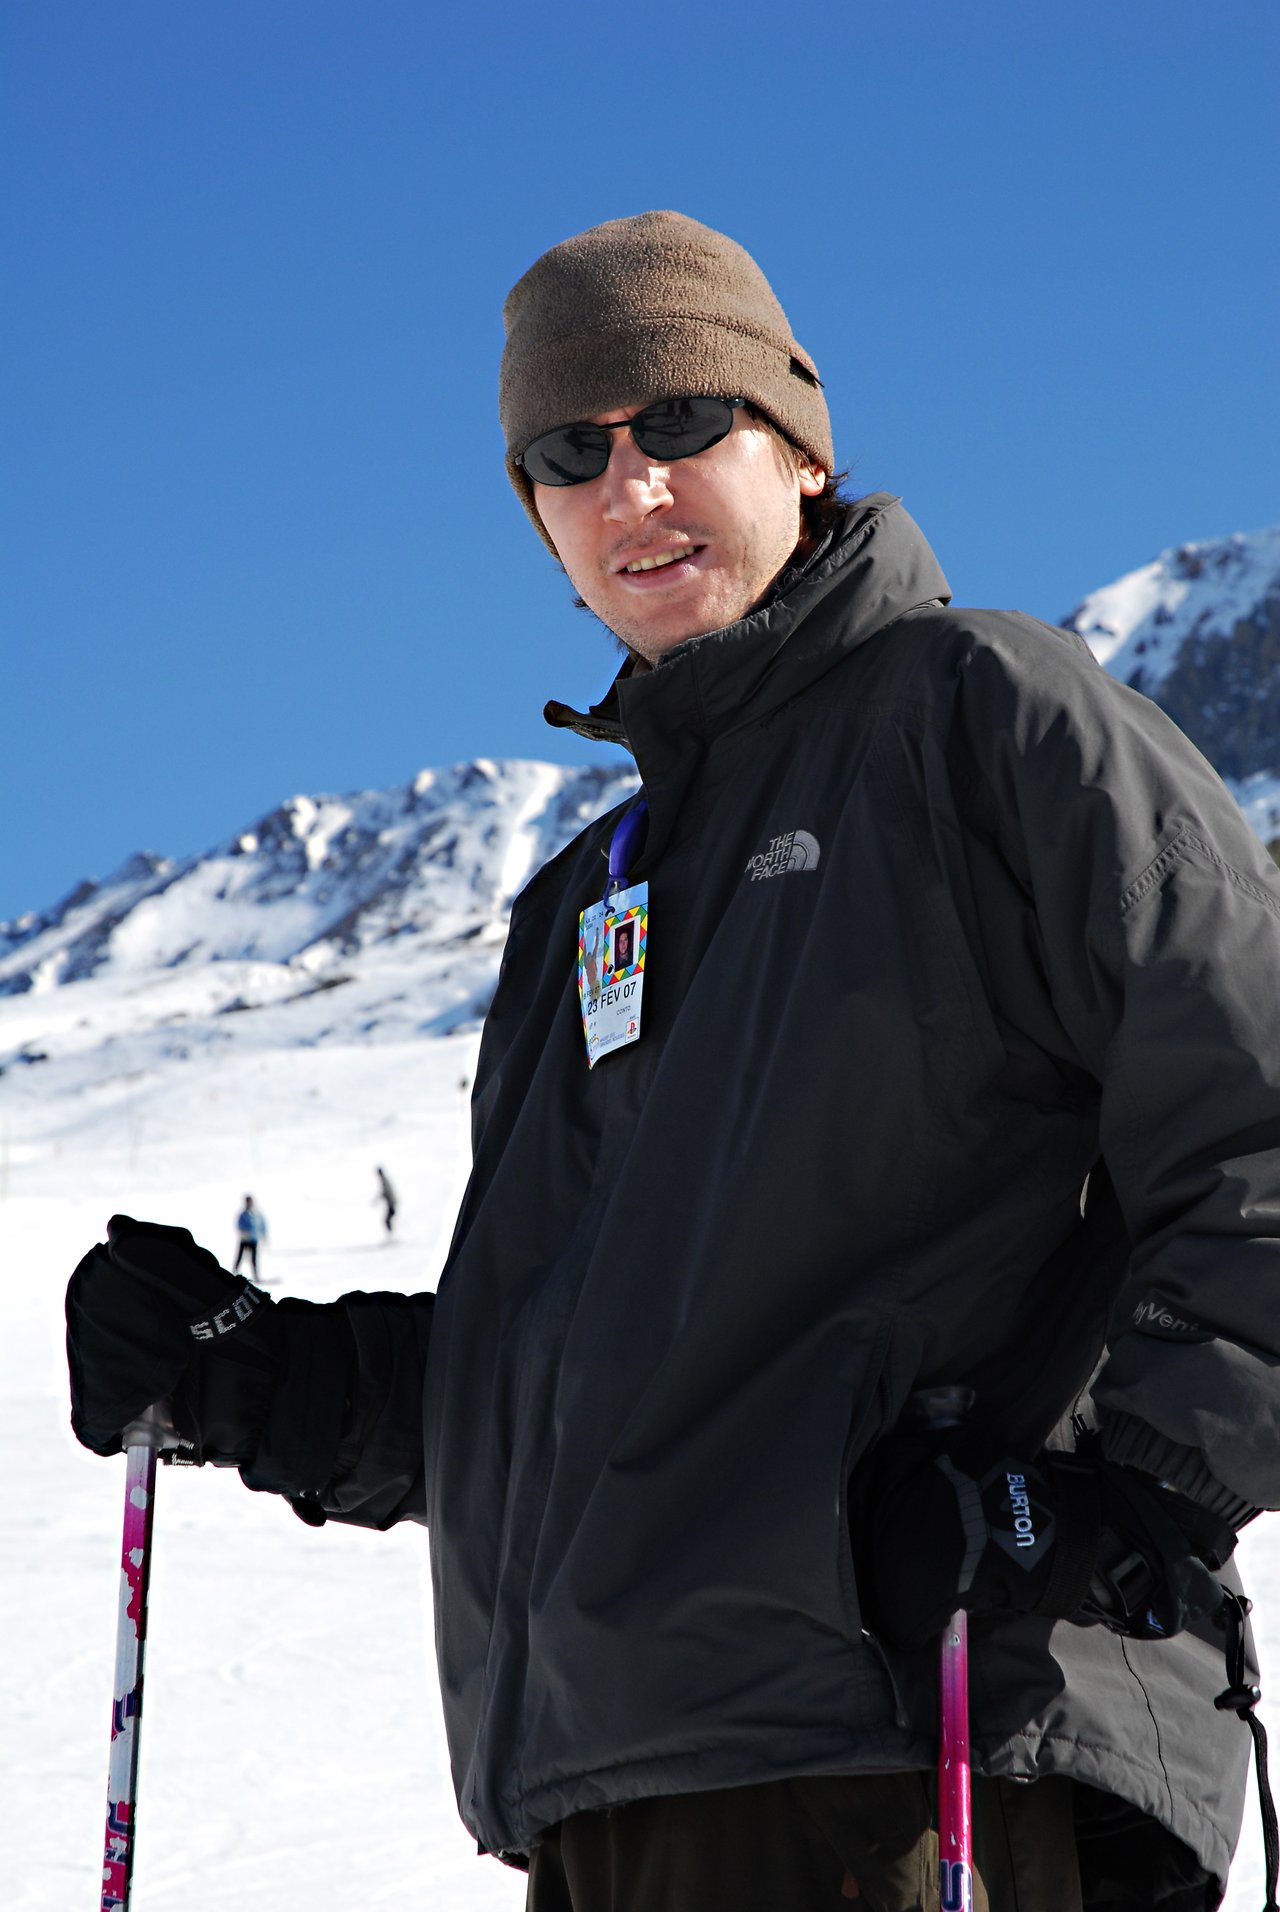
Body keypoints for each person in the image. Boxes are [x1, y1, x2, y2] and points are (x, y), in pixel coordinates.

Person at [64, 212, 1280, 1911]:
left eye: (683, 427)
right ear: (539, 516)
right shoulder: (592, 898)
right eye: (573, 452)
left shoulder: (984, 720)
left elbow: (1263, 1123)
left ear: (800, 446)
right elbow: (580, 1376)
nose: (632, 489)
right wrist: (256, 1377)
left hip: (926, 1749)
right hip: (615, 1790)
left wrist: (1107, 1508)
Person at [231, 1194, 266, 1278]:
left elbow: (261, 1225)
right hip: (245, 1239)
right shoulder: (243, 1214)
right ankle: (234, 1272)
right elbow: (239, 1224)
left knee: (253, 1258)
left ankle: (256, 1275)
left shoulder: (256, 1213)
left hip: (253, 1239)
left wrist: (263, 1235)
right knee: (240, 1256)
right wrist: (244, 1232)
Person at [375, 1166, 397, 1235]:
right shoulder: (384, 1180)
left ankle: (391, 1234)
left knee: (387, 1220)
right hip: (391, 1202)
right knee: (387, 1220)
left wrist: (381, 1197)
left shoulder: (384, 1180)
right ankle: (391, 1234)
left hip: (391, 1203)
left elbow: (386, 1191)